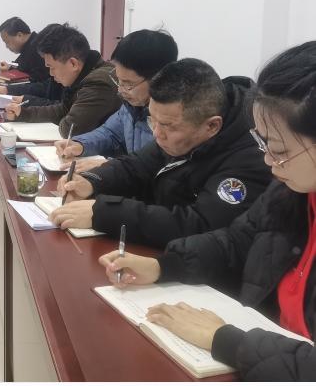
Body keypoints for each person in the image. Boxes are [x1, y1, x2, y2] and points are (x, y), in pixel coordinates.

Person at [97, 42, 316, 381]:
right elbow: (238, 240)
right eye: (263, 143)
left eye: (279, 149)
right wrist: (163, 266)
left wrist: (226, 341)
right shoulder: (291, 190)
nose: (268, 160)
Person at [52, 58, 272, 248]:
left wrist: (106, 213)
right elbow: (137, 164)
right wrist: (92, 181)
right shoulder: (179, 127)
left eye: (167, 126)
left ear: (212, 126)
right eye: (152, 120)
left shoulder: (252, 156)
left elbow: (201, 225)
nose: (156, 133)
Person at [55, 29, 178, 171]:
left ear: (159, 79)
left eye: (128, 84)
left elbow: (161, 170)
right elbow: (110, 133)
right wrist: (80, 145)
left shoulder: (172, 119)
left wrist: (112, 166)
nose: (120, 90)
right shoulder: (131, 106)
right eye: (118, 80)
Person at [4, 23, 119, 137]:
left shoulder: (98, 84)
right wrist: (23, 113)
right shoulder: (84, 74)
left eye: (52, 67)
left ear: (73, 64)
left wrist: (65, 116)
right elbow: (63, 110)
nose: (50, 73)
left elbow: (70, 129)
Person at [0, 17, 50, 82]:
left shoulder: (38, 48)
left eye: (7, 42)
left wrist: (9, 71)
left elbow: (37, 80)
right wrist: (8, 69)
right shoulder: (29, 47)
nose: (6, 46)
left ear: (19, 35)